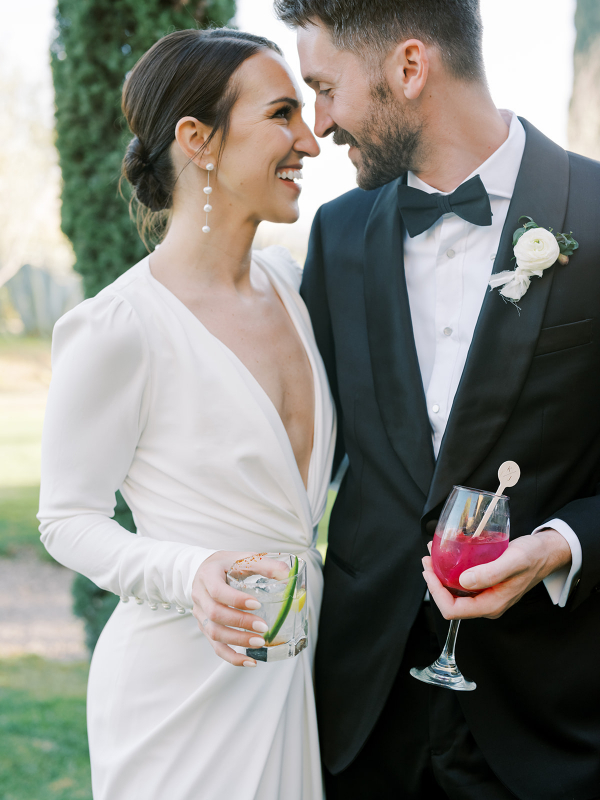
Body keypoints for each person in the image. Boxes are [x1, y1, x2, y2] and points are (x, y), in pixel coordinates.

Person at [273, 1, 600, 799]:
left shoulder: (595, 214)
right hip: (364, 716)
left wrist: (560, 543)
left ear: (409, 68)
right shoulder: (337, 234)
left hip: (548, 719)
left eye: (324, 87)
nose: (318, 126)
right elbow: (304, 449)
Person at [37, 28, 335, 800]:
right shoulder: (121, 327)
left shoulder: (290, 293)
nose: (310, 140)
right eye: (281, 115)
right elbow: (66, 518)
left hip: (288, 673)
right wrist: (189, 570)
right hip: (177, 691)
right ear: (198, 139)